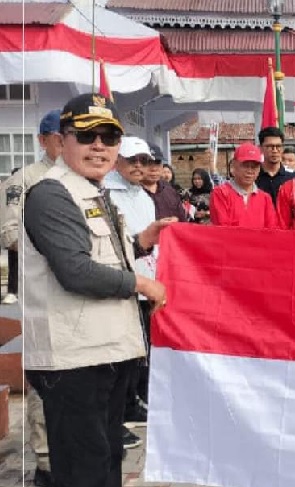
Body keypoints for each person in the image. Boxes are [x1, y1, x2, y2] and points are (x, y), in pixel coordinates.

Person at [23, 93, 170, 487]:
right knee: (83, 469)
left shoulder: (95, 190)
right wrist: (142, 282)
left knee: (106, 461)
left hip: (107, 351)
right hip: (74, 360)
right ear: (63, 140)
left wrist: (143, 241)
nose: (99, 146)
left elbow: (105, 255)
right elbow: (76, 270)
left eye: (109, 137)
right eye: (87, 136)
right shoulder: (51, 193)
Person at [0, 109, 62, 486]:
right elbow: (9, 234)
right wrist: (60, 250)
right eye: (59, 136)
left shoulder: (86, 180)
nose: (67, 142)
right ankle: (44, 457)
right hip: (43, 293)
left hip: (83, 295)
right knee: (44, 376)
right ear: (43, 140)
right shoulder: (25, 181)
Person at [104, 136, 160, 449]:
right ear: (118, 161)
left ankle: (129, 403)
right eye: (132, 160)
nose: (139, 166)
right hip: (123, 284)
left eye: (143, 160)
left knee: (139, 349)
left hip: (146, 281)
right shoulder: (107, 193)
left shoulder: (143, 196)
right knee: (121, 353)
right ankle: (117, 418)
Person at [210, 143, 278, 229]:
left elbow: (271, 231)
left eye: (254, 167)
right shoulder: (220, 193)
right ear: (234, 165)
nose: (250, 171)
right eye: (245, 165)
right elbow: (223, 231)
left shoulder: (265, 198)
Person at [142, 145, 187, 222]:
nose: (154, 168)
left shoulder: (169, 190)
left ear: (162, 165)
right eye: (148, 162)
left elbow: (182, 220)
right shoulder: (130, 194)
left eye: (157, 162)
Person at [256, 126, 295, 204]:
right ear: (260, 148)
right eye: (269, 146)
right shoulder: (253, 177)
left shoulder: (293, 178)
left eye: (278, 146)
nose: (274, 150)